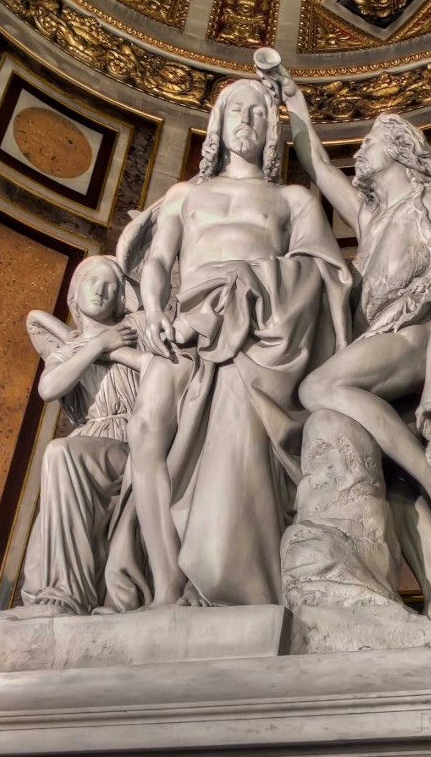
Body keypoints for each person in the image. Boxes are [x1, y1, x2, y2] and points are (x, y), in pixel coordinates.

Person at [116, 77, 351, 608]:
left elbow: (321, 273)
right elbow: (158, 260)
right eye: (236, 110)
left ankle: (221, 577)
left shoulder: (292, 199)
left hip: (256, 335)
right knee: (145, 430)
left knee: (228, 430)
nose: (246, 119)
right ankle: (166, 582)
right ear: (217, 125)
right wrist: (151, 311)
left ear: (272, 133)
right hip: (182, 327)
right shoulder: (185, 195)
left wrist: (243, 285)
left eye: (259, 113)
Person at [261, 67, 431, 576]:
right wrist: (295, 103)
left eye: (369, 142)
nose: (360, 150)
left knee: (318, 386)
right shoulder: (370, 218)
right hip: (381, 335)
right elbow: (319, 167)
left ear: (399, 149)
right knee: (396, 482)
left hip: (419, 330)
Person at [18, 255, 152, 616]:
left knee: (61, 453)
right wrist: (96, 345)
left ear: (120, 298)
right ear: (74, 293)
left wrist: (115, 348)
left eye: (110, 285)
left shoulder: (137, 331)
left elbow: (161, 370)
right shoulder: (66, 351)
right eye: (91, 280)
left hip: (132, 438)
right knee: (61, 457)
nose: (100, 289)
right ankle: (59, 591)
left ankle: (67, 592)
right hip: (89, 439)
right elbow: (48, 388)